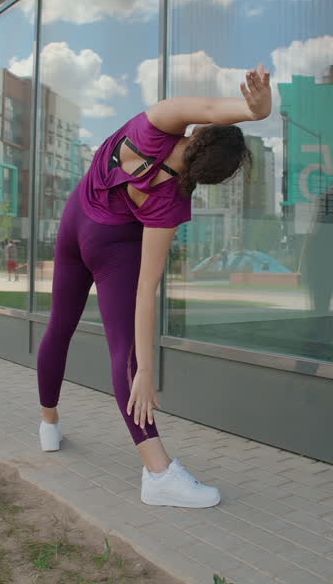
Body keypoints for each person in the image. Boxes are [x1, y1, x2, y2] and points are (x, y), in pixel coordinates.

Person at [36, 64, 272, 509]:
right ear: (211, 179)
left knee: (58, 327)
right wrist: (143, 369)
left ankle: (48, 424)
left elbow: (210, 106)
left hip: (74, 222)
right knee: (120, 353)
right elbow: (147, 290)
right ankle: (158, 475)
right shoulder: (171, 201)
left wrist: (253, 111)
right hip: (110, 247)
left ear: (202, 132)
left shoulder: (157, 124)